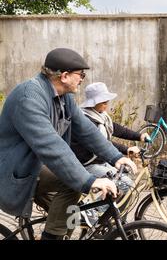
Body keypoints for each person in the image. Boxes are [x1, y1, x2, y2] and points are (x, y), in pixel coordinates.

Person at [0, 48, 137, 240]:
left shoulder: (64, 98)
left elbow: (87, 131)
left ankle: (58, 233)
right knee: (74, 183)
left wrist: (116, 157)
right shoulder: (29, 97)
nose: (82, 78)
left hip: (38, 165)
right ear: (64, 76)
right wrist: (89, 181)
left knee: (72, 212)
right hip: (19, 170)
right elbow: (51, 145)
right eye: (80, 74)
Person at [71, 82, 149, 223]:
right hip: (86, 164)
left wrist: (139, 136)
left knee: (125, 178)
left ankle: (112, 219)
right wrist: (125, 150)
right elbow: (102, 143)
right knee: (125, 183)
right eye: (103, 101)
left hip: (100, 160)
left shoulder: (102, 116)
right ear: (93, 102)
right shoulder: (86, 120)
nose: (106, 103)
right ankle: (88, 211)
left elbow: (119, 130)